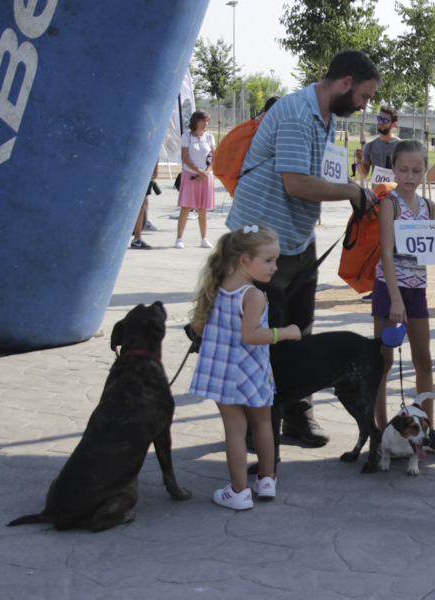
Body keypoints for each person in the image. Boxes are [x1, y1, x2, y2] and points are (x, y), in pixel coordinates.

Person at [227, 49, 380, 448]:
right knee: (263, 337)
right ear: (345, 83)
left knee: (299, 333)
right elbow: (295, 183)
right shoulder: (297, 114)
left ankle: (297, 416)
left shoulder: (326, 117)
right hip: (261, 244)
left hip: (296, 239)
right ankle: (256, 426)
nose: (365, 105)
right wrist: (351, 191)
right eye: (364, 96)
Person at [188, 225, 302, 510]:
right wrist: (284, 332)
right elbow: (251, 335)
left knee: (235, 430)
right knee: (262, 423)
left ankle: (238, 492)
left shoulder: (216, 284)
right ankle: (266, 479)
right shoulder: (253, 295)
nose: (275, 267)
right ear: (244, 259)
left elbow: (197, 326)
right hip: (251, 371)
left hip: (221, 370)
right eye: (268, 260)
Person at [373, 140, 435, 455]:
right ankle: (380, 432)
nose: (410, 176)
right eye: (403, 169)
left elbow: (426, 252)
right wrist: (395, 299)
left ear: (425, 170)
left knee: (424, 361)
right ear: (394, 169)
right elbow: (386, 252)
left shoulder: (428, 205)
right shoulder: (389, 203)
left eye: (417, 170)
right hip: (390, 292)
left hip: (416, 290)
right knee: (384, 363)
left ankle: (428, 432)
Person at [356, 106, 404, 302]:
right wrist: (359, 162)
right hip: (377, 202)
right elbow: (364, 173)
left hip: (397, 202)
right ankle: (378, 286)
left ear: (394, 124)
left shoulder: (402, 146)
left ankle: (395, 286)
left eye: (385, 120)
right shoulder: (371, 146)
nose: (380, 123)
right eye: (379, 119)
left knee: (394, 245)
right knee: (378, 244)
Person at [175, 110, 216, 249]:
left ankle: (204, 238)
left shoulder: (210, 137)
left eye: (207, 121)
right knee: (186, 208)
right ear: (195, 121)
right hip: (190, 175)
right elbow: (184, 157)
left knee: (202, 209)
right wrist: (198, 171)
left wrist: (206, 172)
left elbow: (214, 158)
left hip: (206, 177)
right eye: (203, 121)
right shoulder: (186, 136)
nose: (206, 124)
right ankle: (179, 238)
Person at [131, 163, 159, 249]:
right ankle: (137, 238)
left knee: (140, 207)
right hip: (137, 172)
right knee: (139, 207)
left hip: (143, 173)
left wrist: (154, 170)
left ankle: (137, 239)